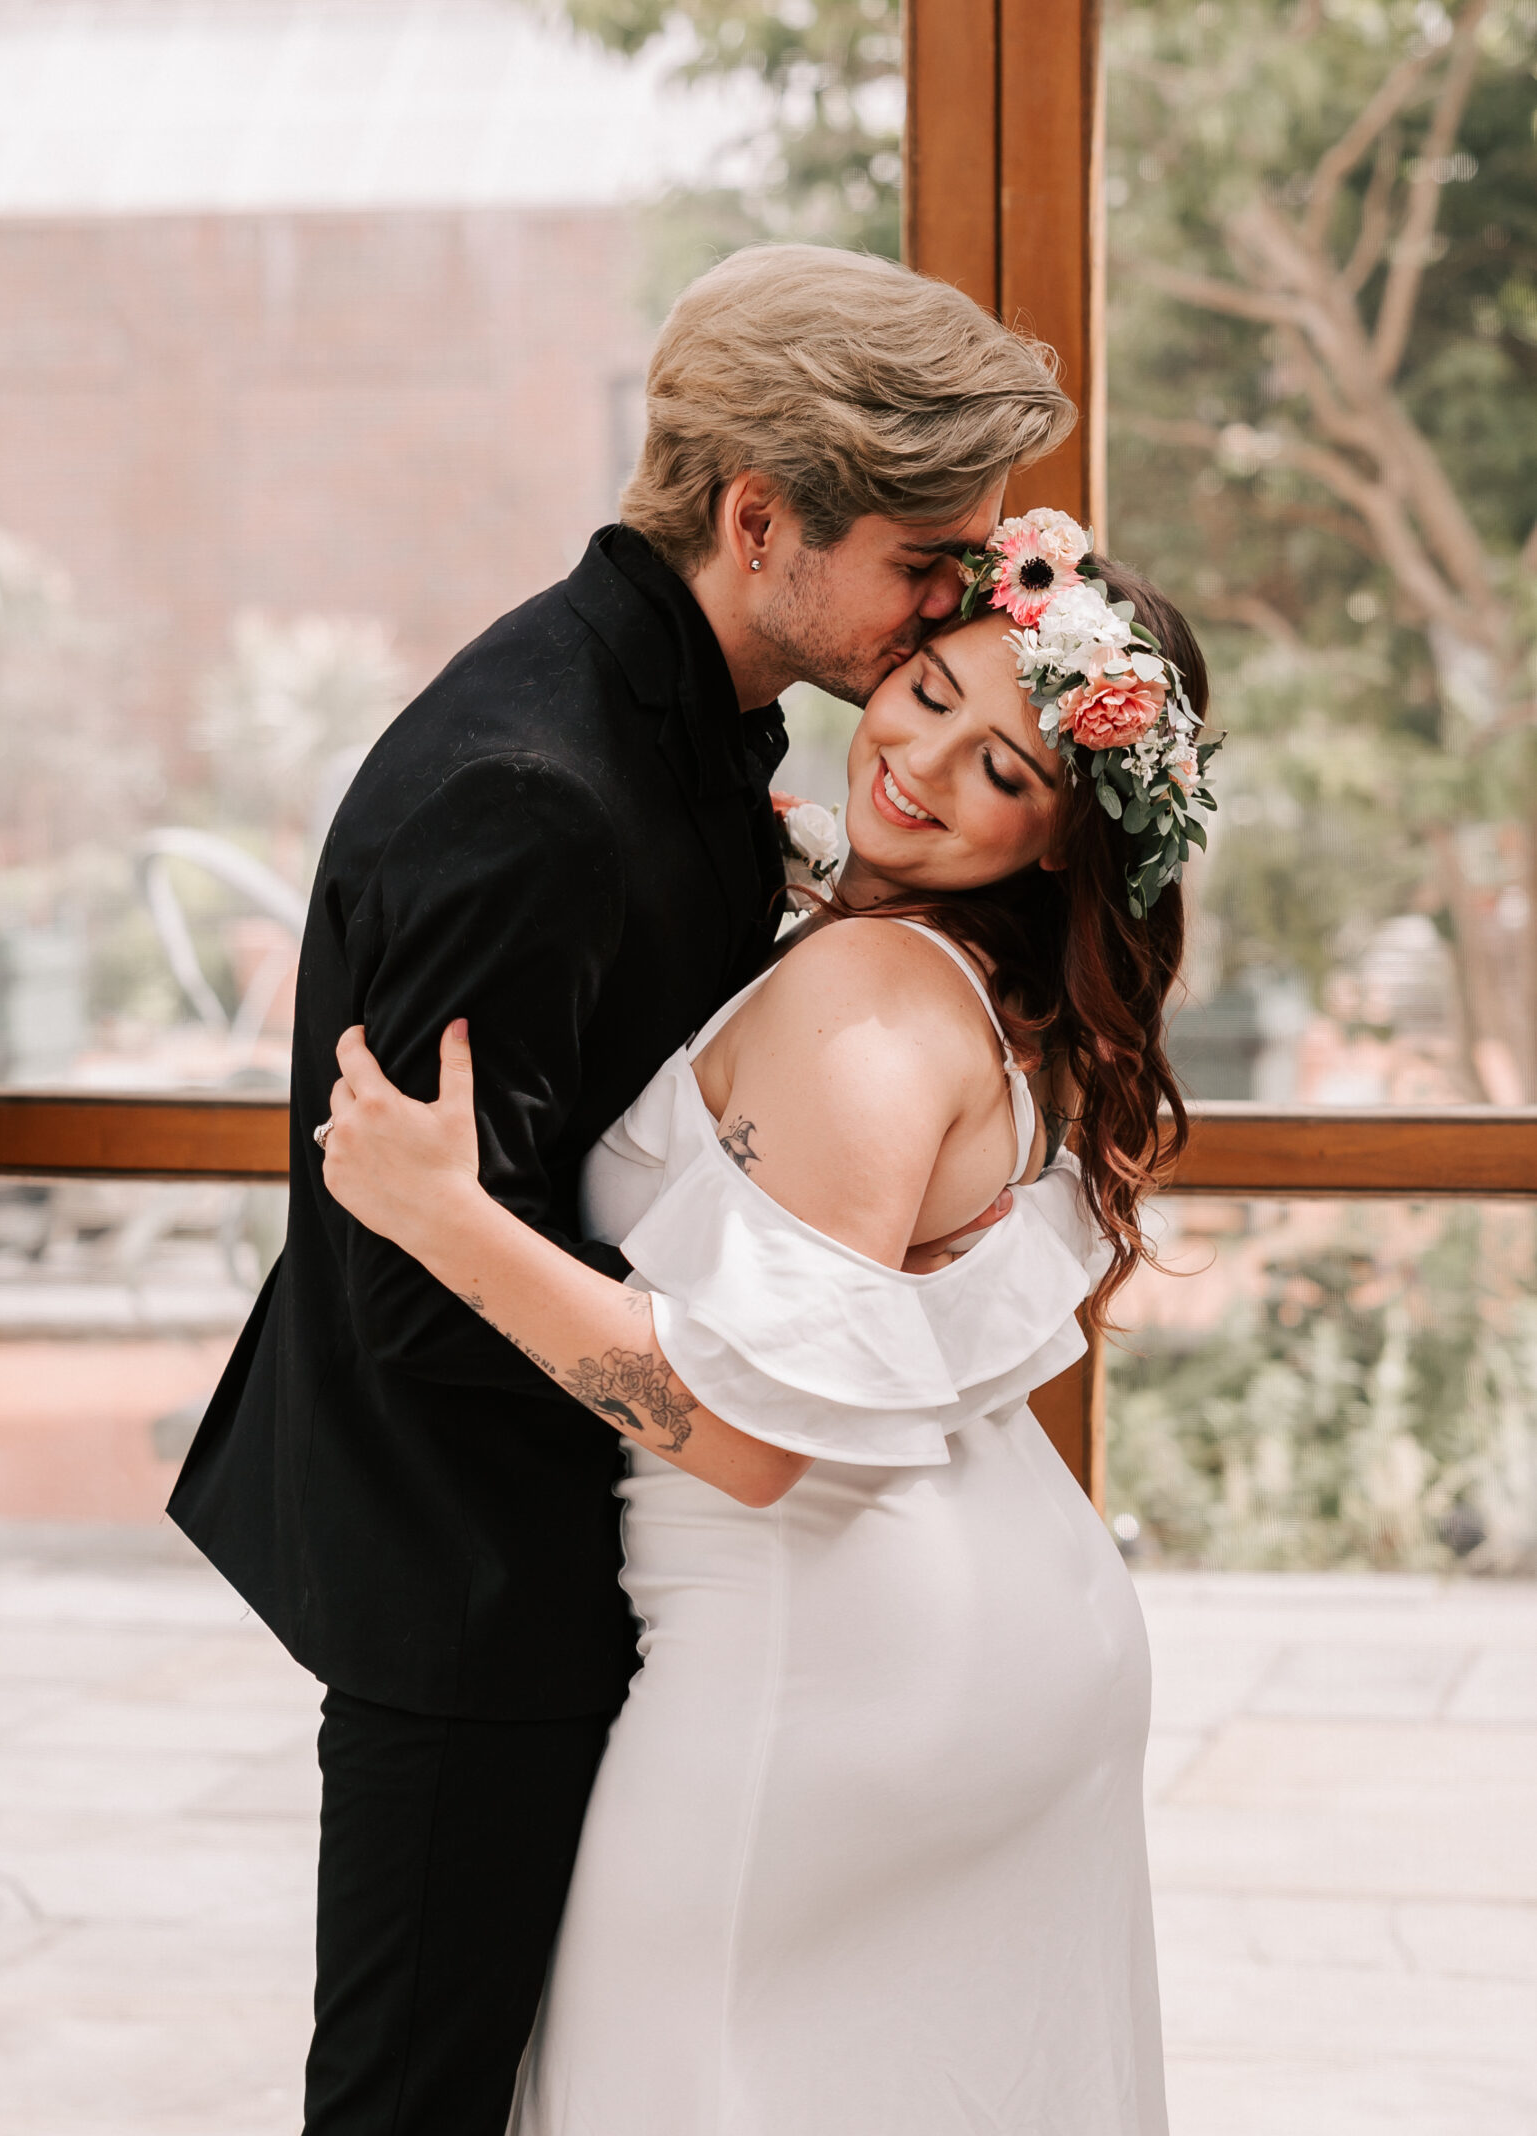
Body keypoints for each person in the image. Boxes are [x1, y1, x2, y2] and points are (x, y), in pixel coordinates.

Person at [166, 243, 1075, 2134]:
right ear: (761, 521)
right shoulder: (531, 786)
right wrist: (754, 1390)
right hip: (473, 1586)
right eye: (926, 563)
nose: (953, 607)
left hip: (610, 1575)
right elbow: (417, 1284)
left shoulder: (704, 728)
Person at [318, 516, 1219, 2136]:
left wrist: (441, 1220)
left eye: (1007, 772)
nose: (927, 762)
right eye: (929, 690)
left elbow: (741, 1434)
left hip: (824, 1656)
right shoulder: (979, 989)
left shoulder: (871, 1002)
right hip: (983, 1618)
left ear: (1068, 842)